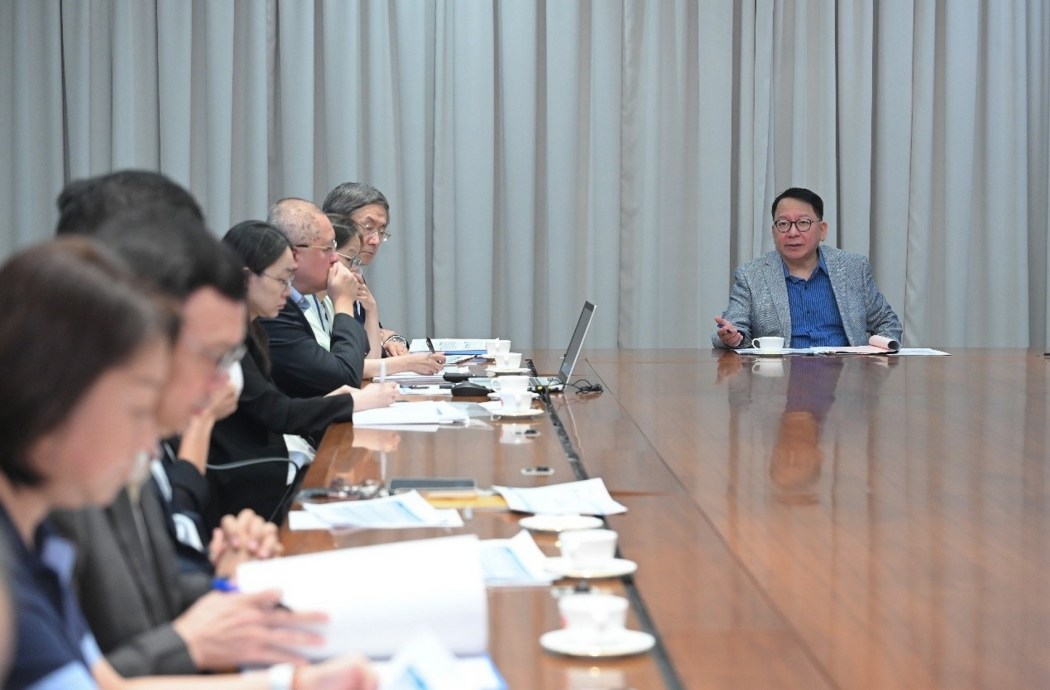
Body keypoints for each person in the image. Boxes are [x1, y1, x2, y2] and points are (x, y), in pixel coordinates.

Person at [0, 239, 377, 690]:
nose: (148, 441)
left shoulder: (37, 532)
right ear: (50, 402)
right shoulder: (46, 518)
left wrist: (291, 679)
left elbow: (104, 683)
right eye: (135, 410)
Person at [210, 221, 398, 520]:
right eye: (282, 280)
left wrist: (333, 400)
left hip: (268, 465)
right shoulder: (223, 336)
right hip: (248, 479)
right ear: (247, 278)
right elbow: (277, 413)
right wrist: (351, 402)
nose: (289, 292)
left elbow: (272, 404)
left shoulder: (250, 327)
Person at [713, 187, 902, 349]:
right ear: (774, 232)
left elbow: (887, 323)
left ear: (822, 230)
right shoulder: (751, 275)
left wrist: (874, 359)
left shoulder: (853, 268)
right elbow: (734, 329)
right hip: (780, 380)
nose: (793, 233)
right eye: (783, 224)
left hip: (845, 378)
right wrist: (733, 337)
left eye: (803, 223)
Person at [307, 214, 444, 377]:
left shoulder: (328, 303)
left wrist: (371, 309)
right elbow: (340, 369)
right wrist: (409, 363)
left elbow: (370, 358)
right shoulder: (305, 305)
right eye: (351, 259)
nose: (354, 270)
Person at [321, 182, 409, 356]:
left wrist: (392, 339)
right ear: (337, 224)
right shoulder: (322, 282)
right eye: (368, 228)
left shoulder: (355, 275)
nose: (375, 240)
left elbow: (374, 333)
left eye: (381, 231)